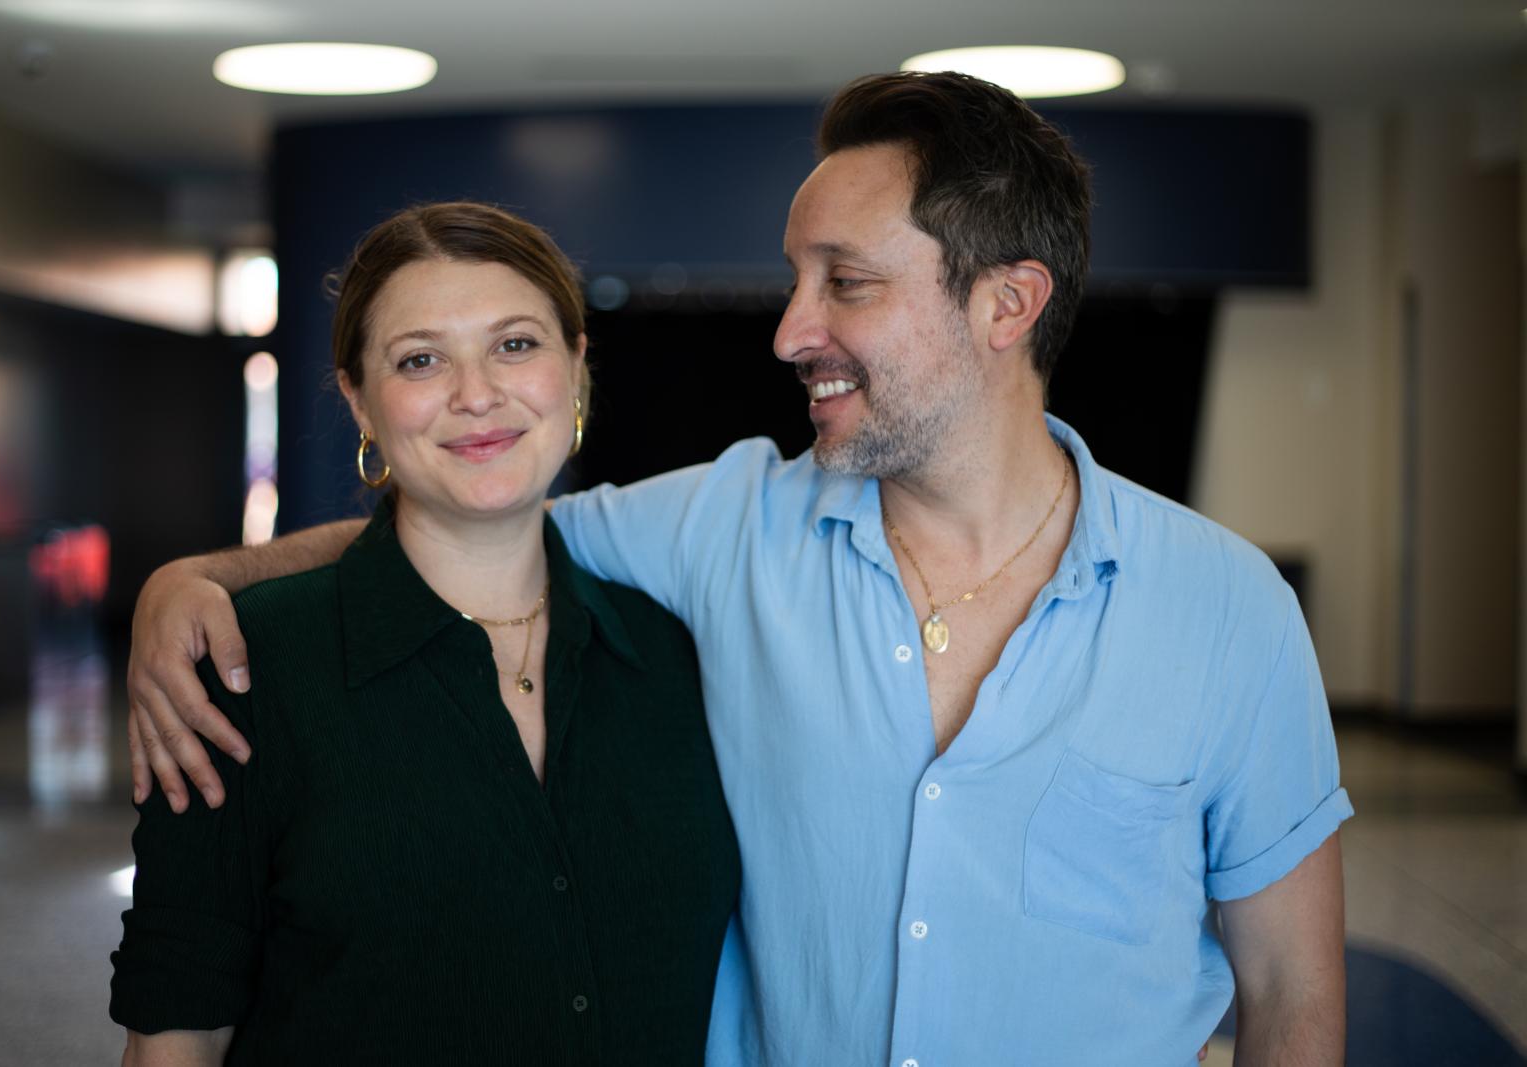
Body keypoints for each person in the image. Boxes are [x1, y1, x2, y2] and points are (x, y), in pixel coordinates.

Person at [127, 73, 1351, 1066]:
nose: (788, 329)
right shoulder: (727, 531)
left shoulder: (1226, 605)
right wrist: (199, 580)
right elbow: (474, 520)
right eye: (795, 276)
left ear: (1007, 304)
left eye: (846, 283)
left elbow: (1293, 994)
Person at [109, 202, 740, 1065]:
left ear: (577, 366)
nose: (477, 393)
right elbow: (178, 1027)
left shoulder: (674, 651)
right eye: (421, 359)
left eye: (515, 344)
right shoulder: (247, 666)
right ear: (359, 398)